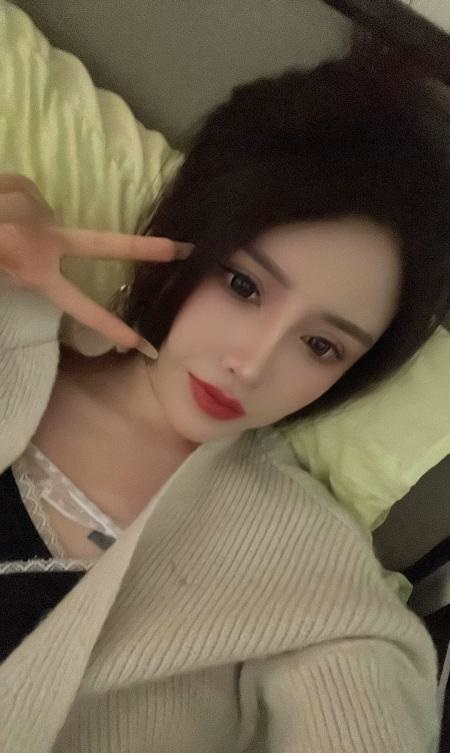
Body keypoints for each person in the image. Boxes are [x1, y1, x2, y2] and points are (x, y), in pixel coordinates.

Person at [0, 15, 449, 753]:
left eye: (321, 344)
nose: (253, 362)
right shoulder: (16, 330)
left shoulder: (313, 576)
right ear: (191, 234)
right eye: (243, 285)